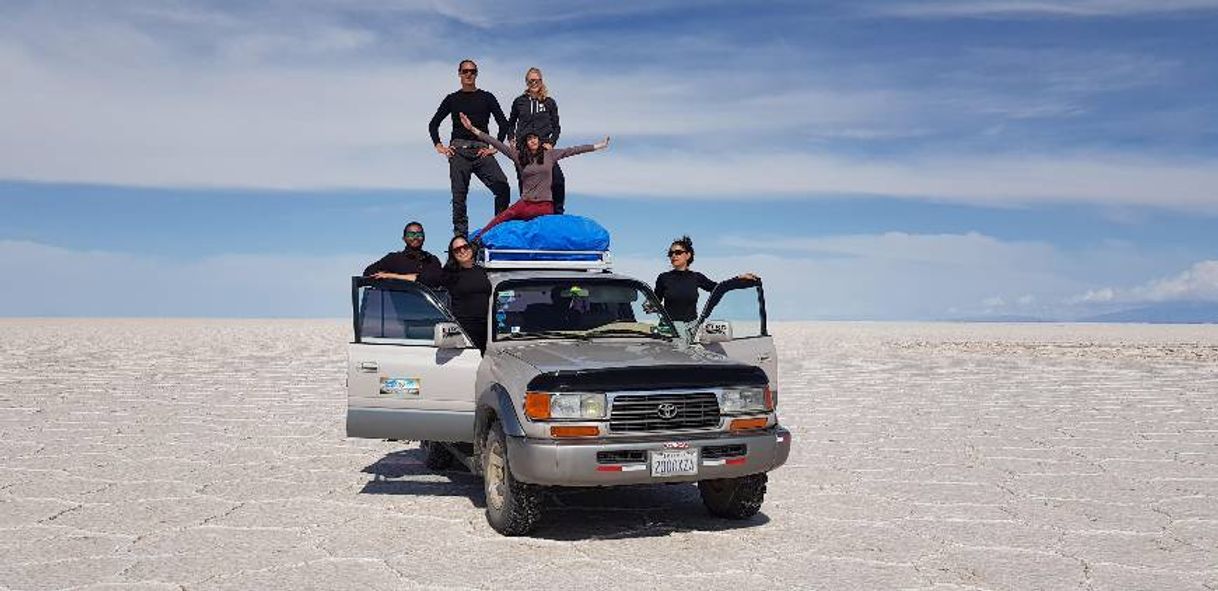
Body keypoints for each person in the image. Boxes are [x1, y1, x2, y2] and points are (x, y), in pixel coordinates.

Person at [458, 112, 608, 238]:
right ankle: (476, 241)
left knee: (546, 233)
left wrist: (597, 146)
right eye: (529, 139)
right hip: (525, 204)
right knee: (500, 219)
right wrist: (473, 129)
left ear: (539, 140)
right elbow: (497, 144)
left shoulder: (550, 155)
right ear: (526, 143)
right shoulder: (519, 156)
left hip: (545, 206)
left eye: (535, 138)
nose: (533, 140)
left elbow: (574, 150)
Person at [428, 59, 512, 237]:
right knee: (459, 197)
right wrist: (439, 146)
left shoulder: (487, 97)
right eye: (465, 71)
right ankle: (461, 240)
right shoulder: (452, 99)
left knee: (502, 187)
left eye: (472, 71)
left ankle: (498, 231)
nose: (468, 74)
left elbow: (504, 124)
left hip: (482, 150)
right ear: (459, 73)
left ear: (476, 74)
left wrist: (495, 147)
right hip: (459, 151)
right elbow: (433, 124)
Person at [394, 235, 491, 354]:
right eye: (457, 250)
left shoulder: (483, 271)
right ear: (453, 254)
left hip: (488, 333)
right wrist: (393, 276)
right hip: (465, 337)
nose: (462, 251)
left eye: (465, 247)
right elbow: (421, 278)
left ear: (471, 248)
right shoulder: (450, 275)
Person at [654, 235, 758, 338]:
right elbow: (654, 301)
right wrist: (649, 306)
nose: (674, 256)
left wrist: (738, 279)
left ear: (688, 255)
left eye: (678, 252)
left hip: (692, 330)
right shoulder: (663, 278)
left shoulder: (696, 277)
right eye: (671, 253)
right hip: (669, 330)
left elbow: (719, 288)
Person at [505, 68, 567, 214]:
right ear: (527, 82)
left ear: (541, 81)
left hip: (543, 148)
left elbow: (557, 127)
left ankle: (558, 213)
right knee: (525, 181)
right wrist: (511, 138)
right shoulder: (519, 102)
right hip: (523, 147)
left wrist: (551, 142)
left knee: (557, 179)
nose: (534, 83)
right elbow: (511, 123)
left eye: (537, 80)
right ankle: (526, 213)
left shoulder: (549, 102)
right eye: (531, 80)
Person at [362, 221, 442, 279]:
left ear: (424, 237)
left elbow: (434, 280)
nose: (415, 237)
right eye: (411, 234)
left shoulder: (432, 260)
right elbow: (368, 273)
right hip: (400, 302)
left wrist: (392, 276)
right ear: (404, 238)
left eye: (419, 234)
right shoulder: (394, 259)